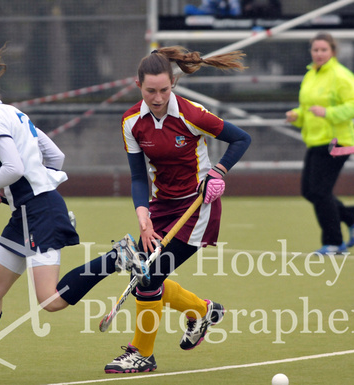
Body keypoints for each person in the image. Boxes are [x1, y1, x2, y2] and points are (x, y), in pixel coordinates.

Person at [0, 46, 149, 385]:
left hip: (38, 212)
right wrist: (23, 188)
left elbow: (12, 167)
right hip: (29, 210)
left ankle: (117, 257)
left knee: (50, 301)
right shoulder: (12, 113)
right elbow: (54, 156)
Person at [104, 46, 251, 374]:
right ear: (138, 85)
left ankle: (142, 353)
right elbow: (138, 175)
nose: (157, 98)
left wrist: (220, 171)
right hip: (160, 207)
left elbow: (241, 139)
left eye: (164, 90)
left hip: (197, 206)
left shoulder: (192, 114)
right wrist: (142, 212)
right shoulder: (131, 122)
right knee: (144, 274)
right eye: (150, 91)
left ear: (173, 84)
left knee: (150, 276)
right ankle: (202, 310)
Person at [285, 32, 354, 255]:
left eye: (324, 50)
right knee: (309, 191)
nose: (319, 54)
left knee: (321, 191)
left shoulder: (341, 75)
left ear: (332, 51)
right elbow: (307, 109)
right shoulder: (310, 74)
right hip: (316, 140)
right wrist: (296, 115)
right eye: (315, 50)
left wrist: (329, 112)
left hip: (337, 142)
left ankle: (334, 243)